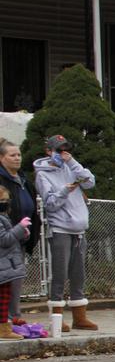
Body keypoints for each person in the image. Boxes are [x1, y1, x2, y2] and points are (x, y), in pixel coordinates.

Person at [33, 135, 98, 331]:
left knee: (79, 274)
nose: (63, 154)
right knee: (60, 274)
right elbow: (50, 203)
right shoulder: (42, 174)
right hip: (60, 228)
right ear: (48, 151)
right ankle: (57, 319)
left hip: (79, 229)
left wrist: (73, 163)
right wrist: (64, 191)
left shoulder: (71, 166)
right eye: (59, 150)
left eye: (66, 150)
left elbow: (89, 182)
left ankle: (80, 317)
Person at [0, 138, 40, 325]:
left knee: (16, 280)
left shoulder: (24, 180)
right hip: (6, 239)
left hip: (21, 238)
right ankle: (6, 321)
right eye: (12, 155)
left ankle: (13, 318)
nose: (17, 158)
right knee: (6, 282)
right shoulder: (2, 180)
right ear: (1, 158)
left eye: (19, 154)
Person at [0, 185, 30, 340]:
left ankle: (5, 325)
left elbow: (11, 238)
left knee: (6, 296)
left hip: (7, 265)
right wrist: (20, 227)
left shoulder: (4, 217)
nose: (5, 203)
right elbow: (4, 240)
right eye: (2, 200)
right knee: (3, 298)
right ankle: (3, 328)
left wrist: (23, 233)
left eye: (6, 200)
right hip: (3, 265)